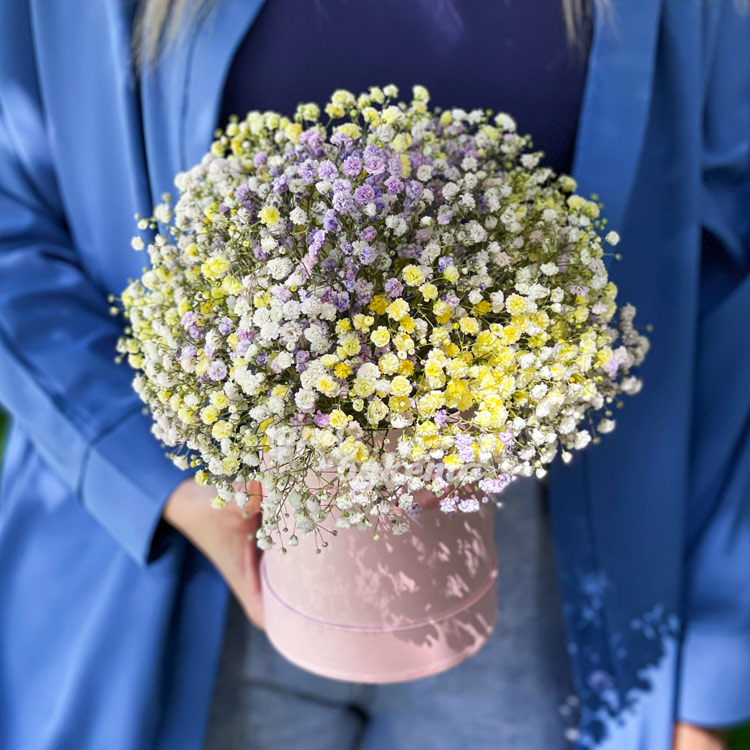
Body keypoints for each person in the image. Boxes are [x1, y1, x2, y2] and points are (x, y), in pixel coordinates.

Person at [0, 1, 747, 749]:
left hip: (541, 542)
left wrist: (708, 669)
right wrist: (154, 474)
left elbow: (728, 258)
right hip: (176, 552)